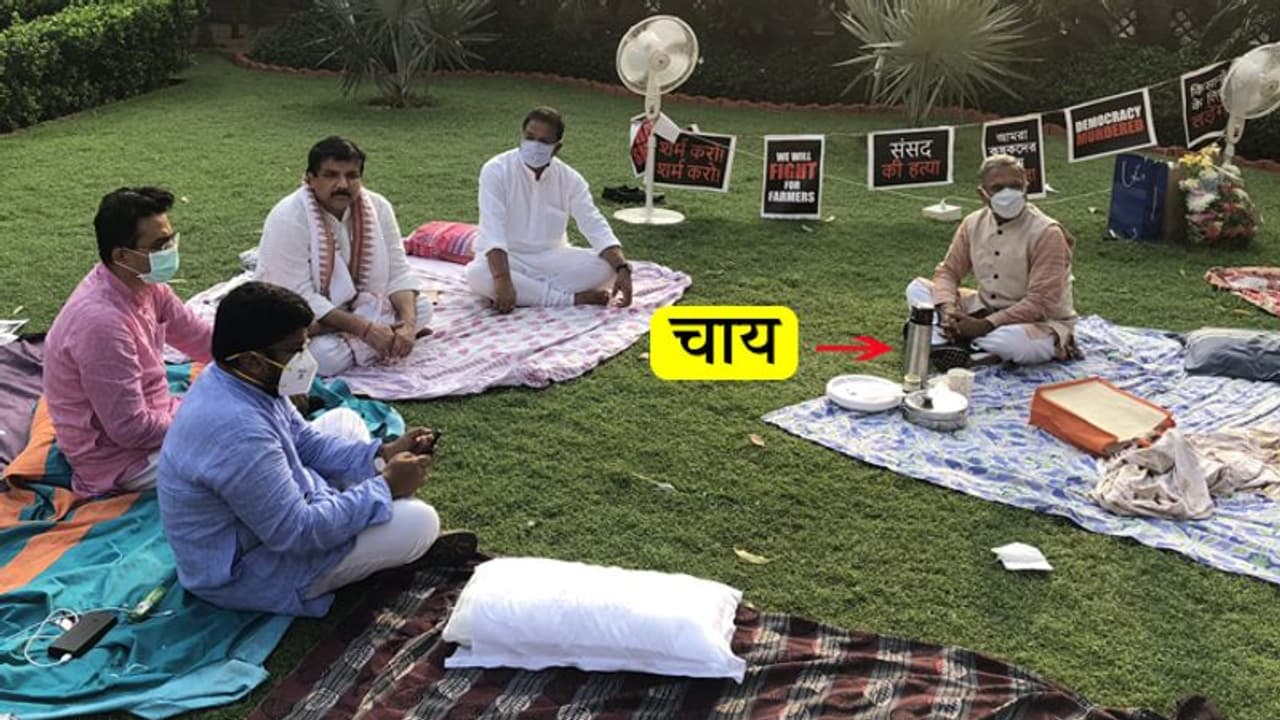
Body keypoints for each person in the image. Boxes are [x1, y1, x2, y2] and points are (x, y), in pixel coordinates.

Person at [157, 282, 475, 616]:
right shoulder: (238, 433)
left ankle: (367, 520)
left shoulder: (239, 378)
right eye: (295, 351)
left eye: (305, 345)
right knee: (420, 522)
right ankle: (379, 545)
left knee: (344, 421)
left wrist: (384, 454)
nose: (306, 360)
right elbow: (297, 532)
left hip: (273, 519)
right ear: (252, 361)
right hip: (248, 569)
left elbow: (306, 443)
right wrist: (385, 487)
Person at [43, 187, 212, 497]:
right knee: (242, 449)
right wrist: (201, 418)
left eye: (171, 240)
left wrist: (255, 357)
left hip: (158, 417)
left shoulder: (148, 285)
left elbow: (200, 338)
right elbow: (130, 429)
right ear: (121, 255)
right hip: (120, 460)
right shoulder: (102, 324)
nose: (170, 251)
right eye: (160, 245)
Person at [256, 136, 431, 376]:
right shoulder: (289, 217)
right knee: (323, 358)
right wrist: (365, 329)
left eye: (351, 176)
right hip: (310, 315)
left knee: (421, 307)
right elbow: (298, 295)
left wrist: (409, 327)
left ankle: (385, 338)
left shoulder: (378, 207)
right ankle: (381, 340)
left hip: (362, 307)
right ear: (310, 178)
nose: (342, 184)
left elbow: (398, 272)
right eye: (331, 175)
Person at [906, 155, 1079, 369]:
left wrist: (985, 325)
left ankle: (939, 337)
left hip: (1035, 322)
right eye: (998, 188)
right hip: (983, 308)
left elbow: (1041, 302)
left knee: (1014, 343)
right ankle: (959, 342)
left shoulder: (1047, 232)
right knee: (917, 288)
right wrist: (947, 310)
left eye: (1015, 186)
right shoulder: (973, 223)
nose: (1008, 194)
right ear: (983, 194)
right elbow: (948, 272)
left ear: (1026, 188)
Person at [467, 106, 635, 312]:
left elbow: (593, 224)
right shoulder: (496, 169)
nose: (535, 146)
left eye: (544, 141)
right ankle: (569, 299)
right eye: (530, 137)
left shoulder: (570, 179)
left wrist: (622, 268)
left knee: (607, 269)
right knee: (478, 275)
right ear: (521, 135)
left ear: (557, 147)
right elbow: (492, 231)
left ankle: (530, 293)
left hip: (552, 258)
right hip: (508, 258)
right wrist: (502, 279)